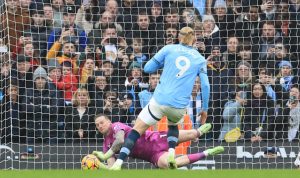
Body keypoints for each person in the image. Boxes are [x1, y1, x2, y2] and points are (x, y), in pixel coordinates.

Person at [110, 26, 210, 170]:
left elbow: (147, 69)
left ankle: (118, 163)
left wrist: (164, 62)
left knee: (136, 130)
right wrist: (205, 109)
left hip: (160, 100)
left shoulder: (169, 48)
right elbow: (205, 86)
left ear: (179, 37)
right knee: (173, 126)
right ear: (194, 39)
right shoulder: (200, 59)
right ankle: (171, 152)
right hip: (179, 106)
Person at [92, 114, 223, 169]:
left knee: (192, 134)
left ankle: (200, 131)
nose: (100, 126)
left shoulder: (116, 126)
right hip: (152, 156)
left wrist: (105, 155)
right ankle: (207, 153)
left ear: (109, 121)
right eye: (97, 125)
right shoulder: (105, 144)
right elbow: (111, 167)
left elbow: (120, 140)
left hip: (155, 139)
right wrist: (98, 164)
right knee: (171, 165)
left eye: (102, 122)